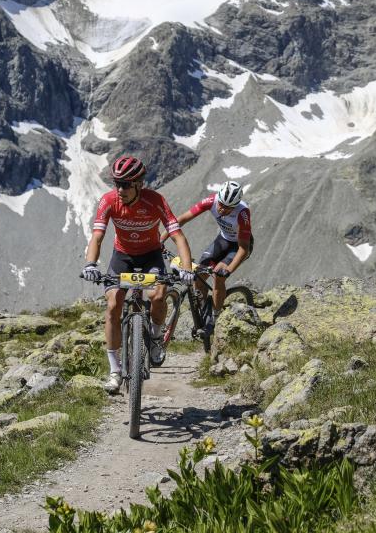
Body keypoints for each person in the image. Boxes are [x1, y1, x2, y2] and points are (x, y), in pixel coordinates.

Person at [82, 156, 194, 393]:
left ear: (139, 184)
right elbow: (98, 236)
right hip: (122, 257)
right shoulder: (109, 200)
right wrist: (91, 264)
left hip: (151, 255)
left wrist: (186, 269)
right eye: (117, 183)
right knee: (113, 306)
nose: (120, 189)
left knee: (157, 295)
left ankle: (154, 338)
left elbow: (178, 236)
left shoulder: (155, 201)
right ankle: (114, 370)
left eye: (125, 184)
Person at [161, 181, 253, 335]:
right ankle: (204, 311)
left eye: (227, 208)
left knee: (218, 275)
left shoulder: (242, 213)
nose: (221, 209)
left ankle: (215, 320)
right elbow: (182, 219)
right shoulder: (212, 201)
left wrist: (228, 270)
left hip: (239, 246)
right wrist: (161, 239)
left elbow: (244, 248)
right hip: (223, 240)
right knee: (199, 273)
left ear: (235, 206)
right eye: (221, 204)